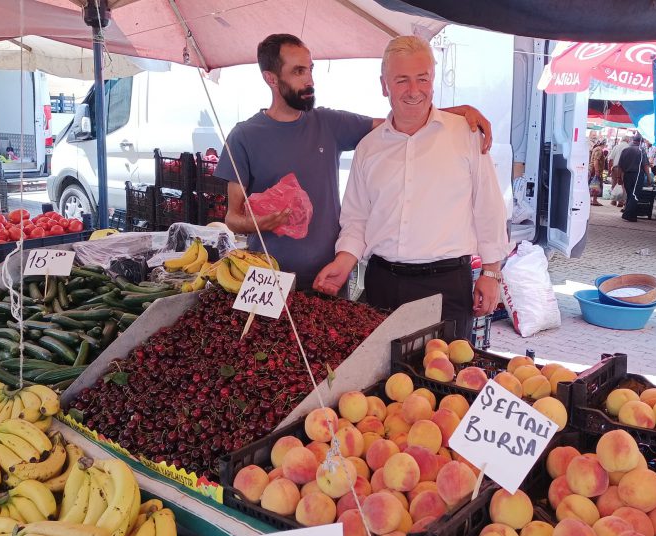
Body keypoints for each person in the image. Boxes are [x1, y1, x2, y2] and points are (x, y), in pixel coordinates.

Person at [214, 33, 491, 290]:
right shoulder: (243, 137)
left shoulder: (329, 123)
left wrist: (456, 113)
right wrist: (261, 223)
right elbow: (233, 217)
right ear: (271, 79)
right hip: (265, 276)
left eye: (311, 69)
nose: (309, 79)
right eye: (298, 71)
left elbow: (400, 119)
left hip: (328, 274)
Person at [312, 36, 509, 339]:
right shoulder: (368, 148)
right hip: (382, 284)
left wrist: (492, 273)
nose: (414, 90)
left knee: (447, 381)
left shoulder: (466, 135)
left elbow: (489, 209)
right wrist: (344, 260)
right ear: (384, 85)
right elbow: (356, 219)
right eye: (402, 80)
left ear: (433, 79)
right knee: (377, 382)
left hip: (446, 287)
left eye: (423, 78)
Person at [618, 134, 651, 223]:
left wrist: (619, 177)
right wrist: (648, 177)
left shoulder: (625, 150)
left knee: (630, 194)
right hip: (637, 175)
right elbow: (645, 165)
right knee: (635, 195)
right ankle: (627, 214)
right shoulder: (641, 150)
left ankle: (632, 216)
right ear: (641, 142)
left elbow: (620, 165)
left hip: (626, 175)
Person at [608, 135, 630, 208]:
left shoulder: (616, 146)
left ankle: (614, 200)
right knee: (623, 185)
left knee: (614, 183)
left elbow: (610, 159)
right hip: (625, 169)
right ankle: (621, 201)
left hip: (615, 167)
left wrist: (609, 170)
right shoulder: (629, 147)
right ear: (628, 141)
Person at [589, 140, 606, 206]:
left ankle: (591, 199)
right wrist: (597, 171)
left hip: (592, 168)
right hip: (594, 169)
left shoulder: (595, 148)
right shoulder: (599, 150)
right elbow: (596, 160)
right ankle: (594, 200)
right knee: (596, 184)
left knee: (593, 184)